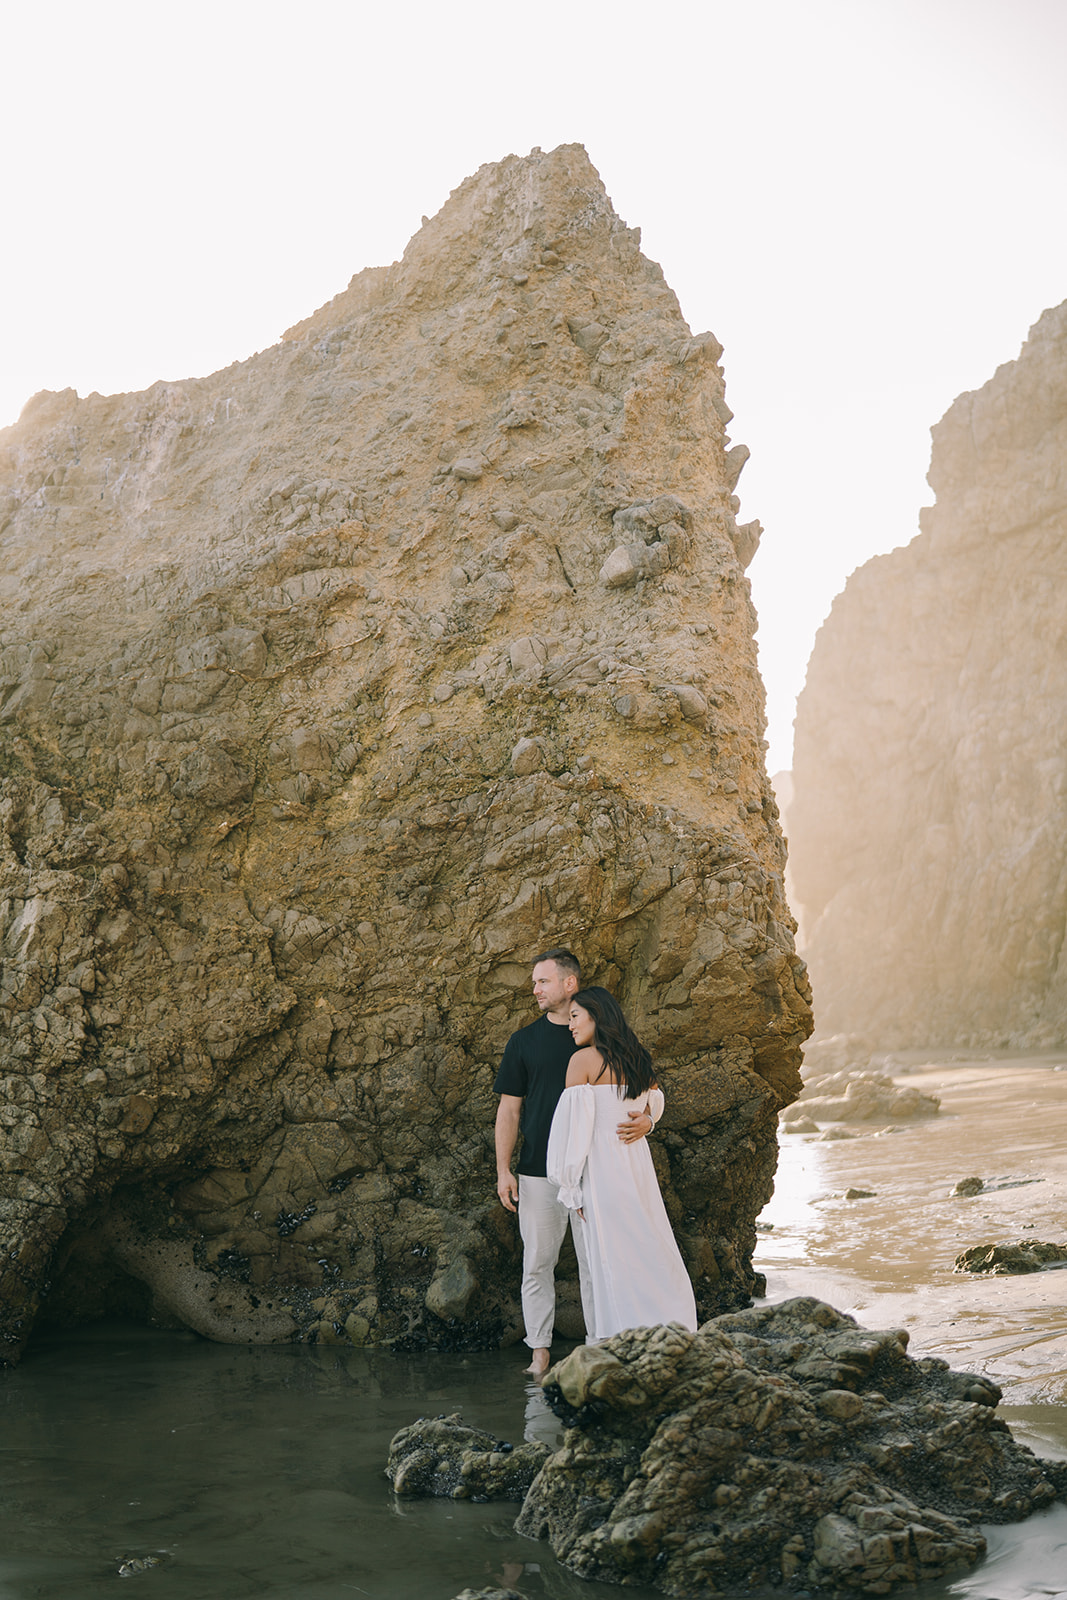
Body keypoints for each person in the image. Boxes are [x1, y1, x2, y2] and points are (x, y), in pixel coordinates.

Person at [494, 950, 655, 1376]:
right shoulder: (523, 1042)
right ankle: (540, 1354)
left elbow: (645, 1088)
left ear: (569, 984)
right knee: (537, 1263)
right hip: (536, 1172)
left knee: (595, 1260)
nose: (535, 990)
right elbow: (509, 1111)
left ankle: (595, 1346)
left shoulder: (597, 1038)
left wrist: (650, 1120)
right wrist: (503, 1170)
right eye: (534, 982)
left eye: (542, 982)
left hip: (596, 1173)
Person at [547, 986, 697, 1341]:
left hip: (600, 1170)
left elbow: (574, 1132)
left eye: (574, 1017)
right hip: (636, 1165)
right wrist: (649, 1120)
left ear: (595, 1017)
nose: (570, 1025)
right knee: (647, 1243)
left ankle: (616, 1334)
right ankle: (668, 1323)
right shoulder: (637, 1057)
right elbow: (655, 1096)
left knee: (609, 1255)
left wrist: (569, 1185)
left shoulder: (581, 1061)